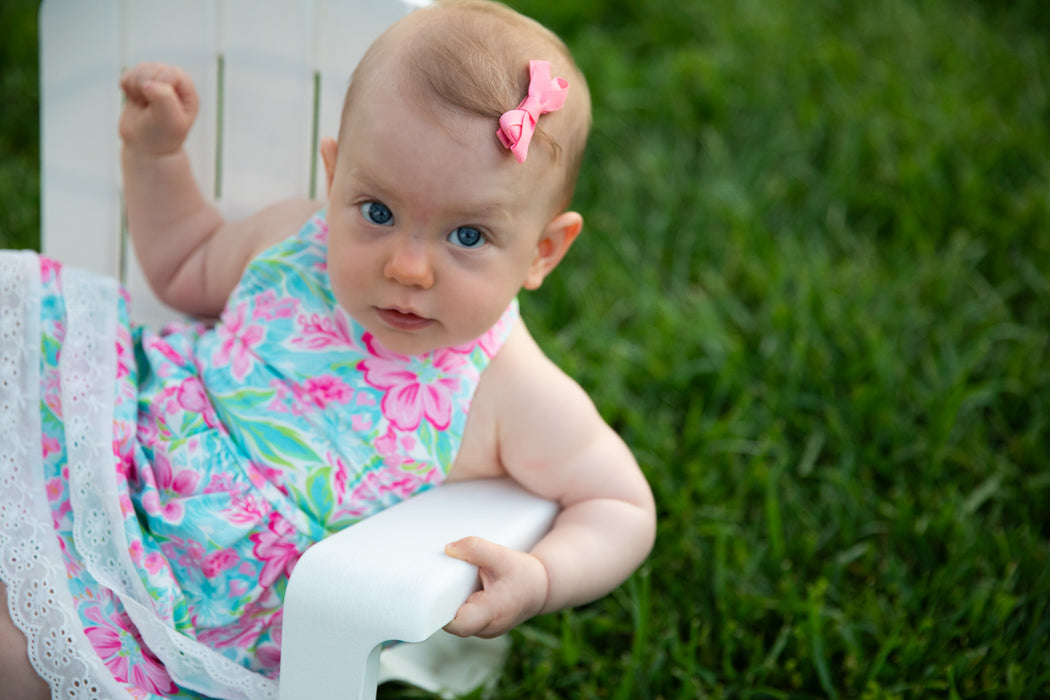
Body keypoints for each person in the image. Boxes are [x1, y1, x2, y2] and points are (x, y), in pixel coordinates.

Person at [0, 0, 656, 697]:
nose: (408, 266)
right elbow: (184, 263)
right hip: (110, 442)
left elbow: (620, 506)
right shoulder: (296, 242)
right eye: (377, 212)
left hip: (191, 587)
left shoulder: (508, 389)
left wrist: (543, 576)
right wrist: (156, 154)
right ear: (336, 175)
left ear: (543, 251)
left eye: (467, 236)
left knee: (19, 655)